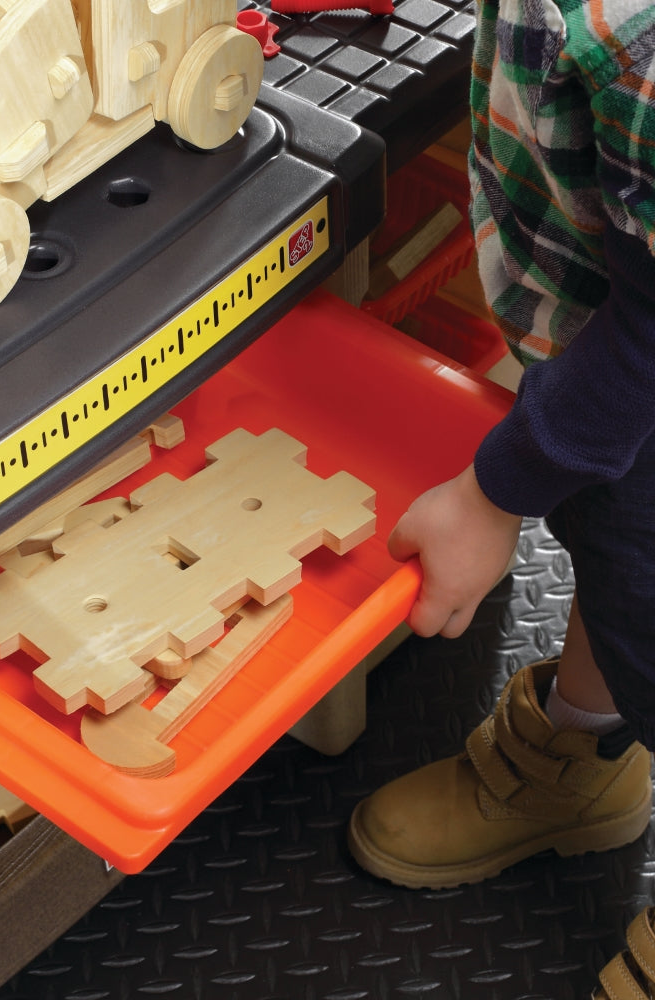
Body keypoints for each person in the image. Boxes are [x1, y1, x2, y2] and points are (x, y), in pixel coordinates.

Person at [345, 0, 655, 995]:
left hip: (635, 376)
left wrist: (494, 493)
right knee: (617, 562)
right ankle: (579, 751)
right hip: (611, 375)